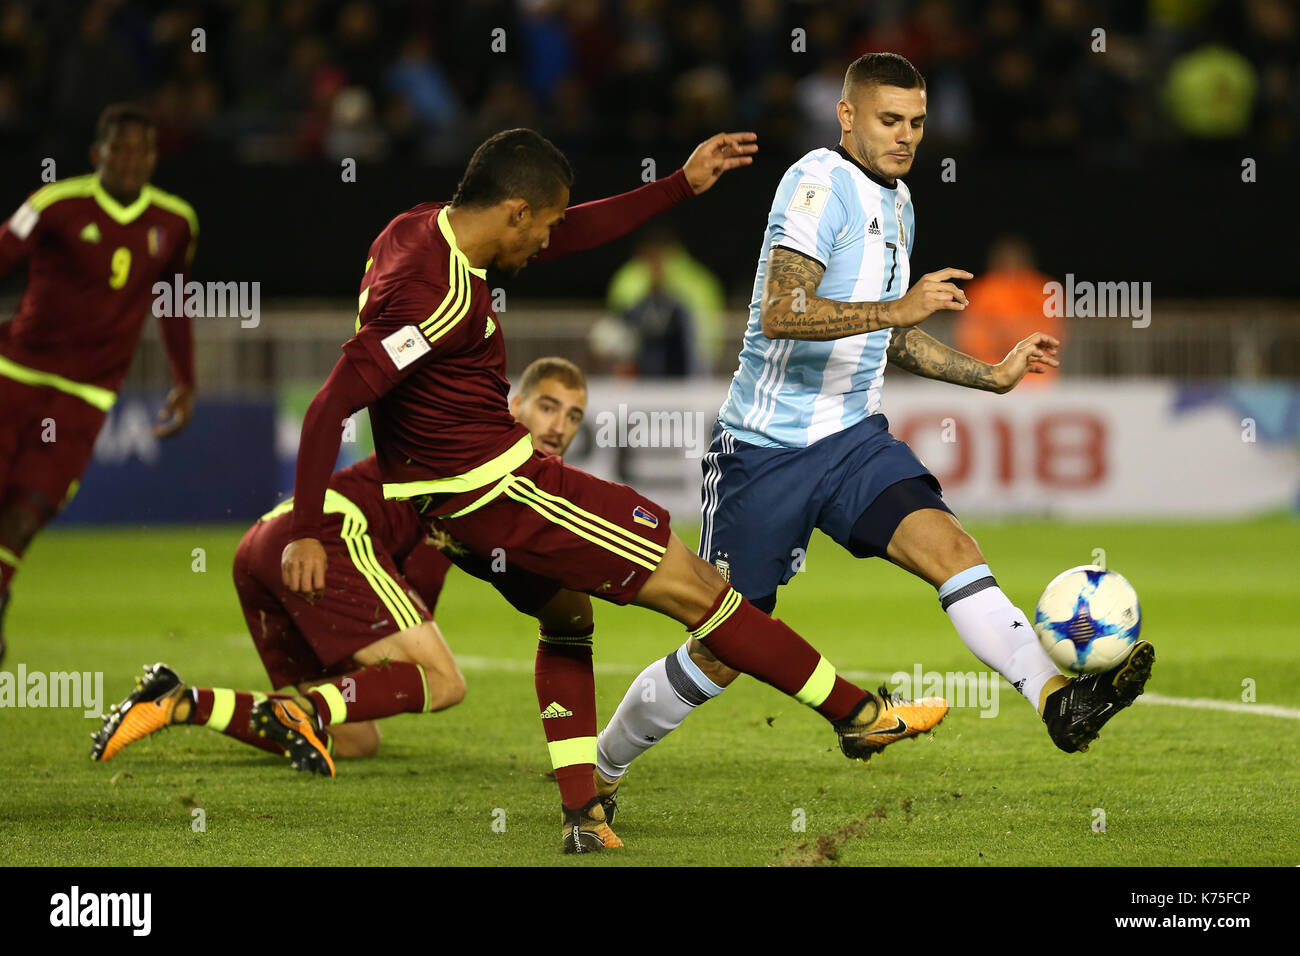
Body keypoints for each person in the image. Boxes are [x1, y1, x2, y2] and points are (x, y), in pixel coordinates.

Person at [281, 126, 946, 854]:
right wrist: (307, 528)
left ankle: (583, 816)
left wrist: (678, 186)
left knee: (568, 618)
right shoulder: (433, 297)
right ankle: (858, 713)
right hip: (503, 493)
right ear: (512, 211)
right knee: (703, 590)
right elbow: (328, 405)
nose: (548, 242)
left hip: (443, 506)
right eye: (543, 223)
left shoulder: (409, 231)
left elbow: (564, 234)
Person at [594, 52, 1154, 819]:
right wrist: (900, 309)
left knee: (955, 554)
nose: (906, 137)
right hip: (764, 452)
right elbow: (783, 312)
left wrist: (987, 374)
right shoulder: (815, 184)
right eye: (890, 120)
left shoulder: (899, 201)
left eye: (918, 122)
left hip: (853, 439)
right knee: (724, 650)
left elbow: (888, 335)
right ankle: (601, 767)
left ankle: (1059, 702)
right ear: (848, 115)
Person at [90, 357, 590, 778]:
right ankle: (300, 711)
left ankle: (178, 701)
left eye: (573, 417)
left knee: (353, 738)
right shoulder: (483, 457)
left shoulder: (474, 451)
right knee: (443, 681)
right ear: (515, 405)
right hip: (327, 538)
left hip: (268, 547)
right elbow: (427, 573)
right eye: (548, 407)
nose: (558, 427)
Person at [0, 103, 198, 661]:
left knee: (26, 513)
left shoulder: (175, 221)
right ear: (98, 154)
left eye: (142, 150)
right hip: (13, 374)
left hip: (85, 397)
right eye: (120, 149)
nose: (131, 160)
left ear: (155, 156)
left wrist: (185, 379)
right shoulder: (54, 204)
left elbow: (175, 303)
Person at [954, 235, 1059, 386]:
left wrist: (1015, 338)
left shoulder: (1041, 289)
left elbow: (1051, 331)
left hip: (1034, 375)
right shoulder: (982, 290)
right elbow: (969, 333)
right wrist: (998, 339)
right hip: (989, 372)